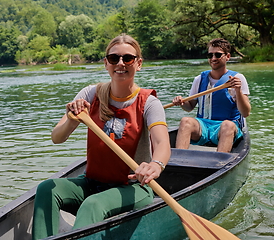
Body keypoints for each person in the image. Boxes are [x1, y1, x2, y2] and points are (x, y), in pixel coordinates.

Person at [32, 34, 171, 239]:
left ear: (139, 63)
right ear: (106, 63)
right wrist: (72, 119)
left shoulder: (149, 102)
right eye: (114, 58)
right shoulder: (90, 94)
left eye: (128, 58)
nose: (120, 63)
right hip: (92, 182)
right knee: (47, 189)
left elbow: (162, 145)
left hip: (133, 187)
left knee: (93, 204)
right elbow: (57, 137)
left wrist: (155, 165)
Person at [172, 38, 251, 153]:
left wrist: (238, 90)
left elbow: (245, 113)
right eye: (210, 55)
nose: (213, 58)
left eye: (218, 55)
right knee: (186, 121)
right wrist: (182, 102)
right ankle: (179, 161)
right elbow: (190, 107)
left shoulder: (237, 79)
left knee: (227, 126)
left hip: (226, 127)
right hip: (203, 126)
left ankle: (219, 164)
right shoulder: (199, 79)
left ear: (227, 56)